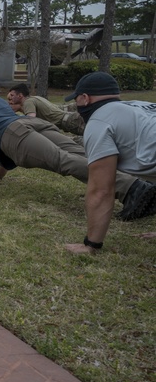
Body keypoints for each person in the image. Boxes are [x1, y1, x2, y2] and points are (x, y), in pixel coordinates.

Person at [0, 78, 156, 221]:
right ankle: (142, 180)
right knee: (82, 153)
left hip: (14, 133)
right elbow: (0, 135)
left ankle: (133, 189)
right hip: (31, 124)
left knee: (63, 161)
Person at [60, 72, 156, 254]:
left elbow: (102, 189)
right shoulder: (140, 106)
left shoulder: (99, 122)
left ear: (85, 98)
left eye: (77, 99)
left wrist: (91, 244)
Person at [7, 83, 84, 136]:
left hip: (71, 121)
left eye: (12, 95)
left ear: (20, 95)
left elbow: (30, 120)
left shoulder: (28, 102)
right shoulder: (34, 98)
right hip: (70, 118)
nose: (10, 99)